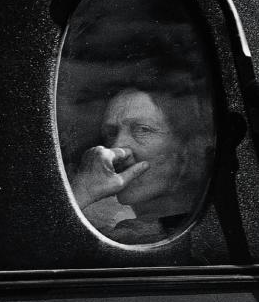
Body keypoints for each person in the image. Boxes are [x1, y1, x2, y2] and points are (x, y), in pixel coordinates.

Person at [71, 87, 213, 244]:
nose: (117, 146)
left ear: (186, 149)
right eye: (111, 133)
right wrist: (83, 191)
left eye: (143, 130)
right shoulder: (125, 236)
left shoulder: (205, 239)